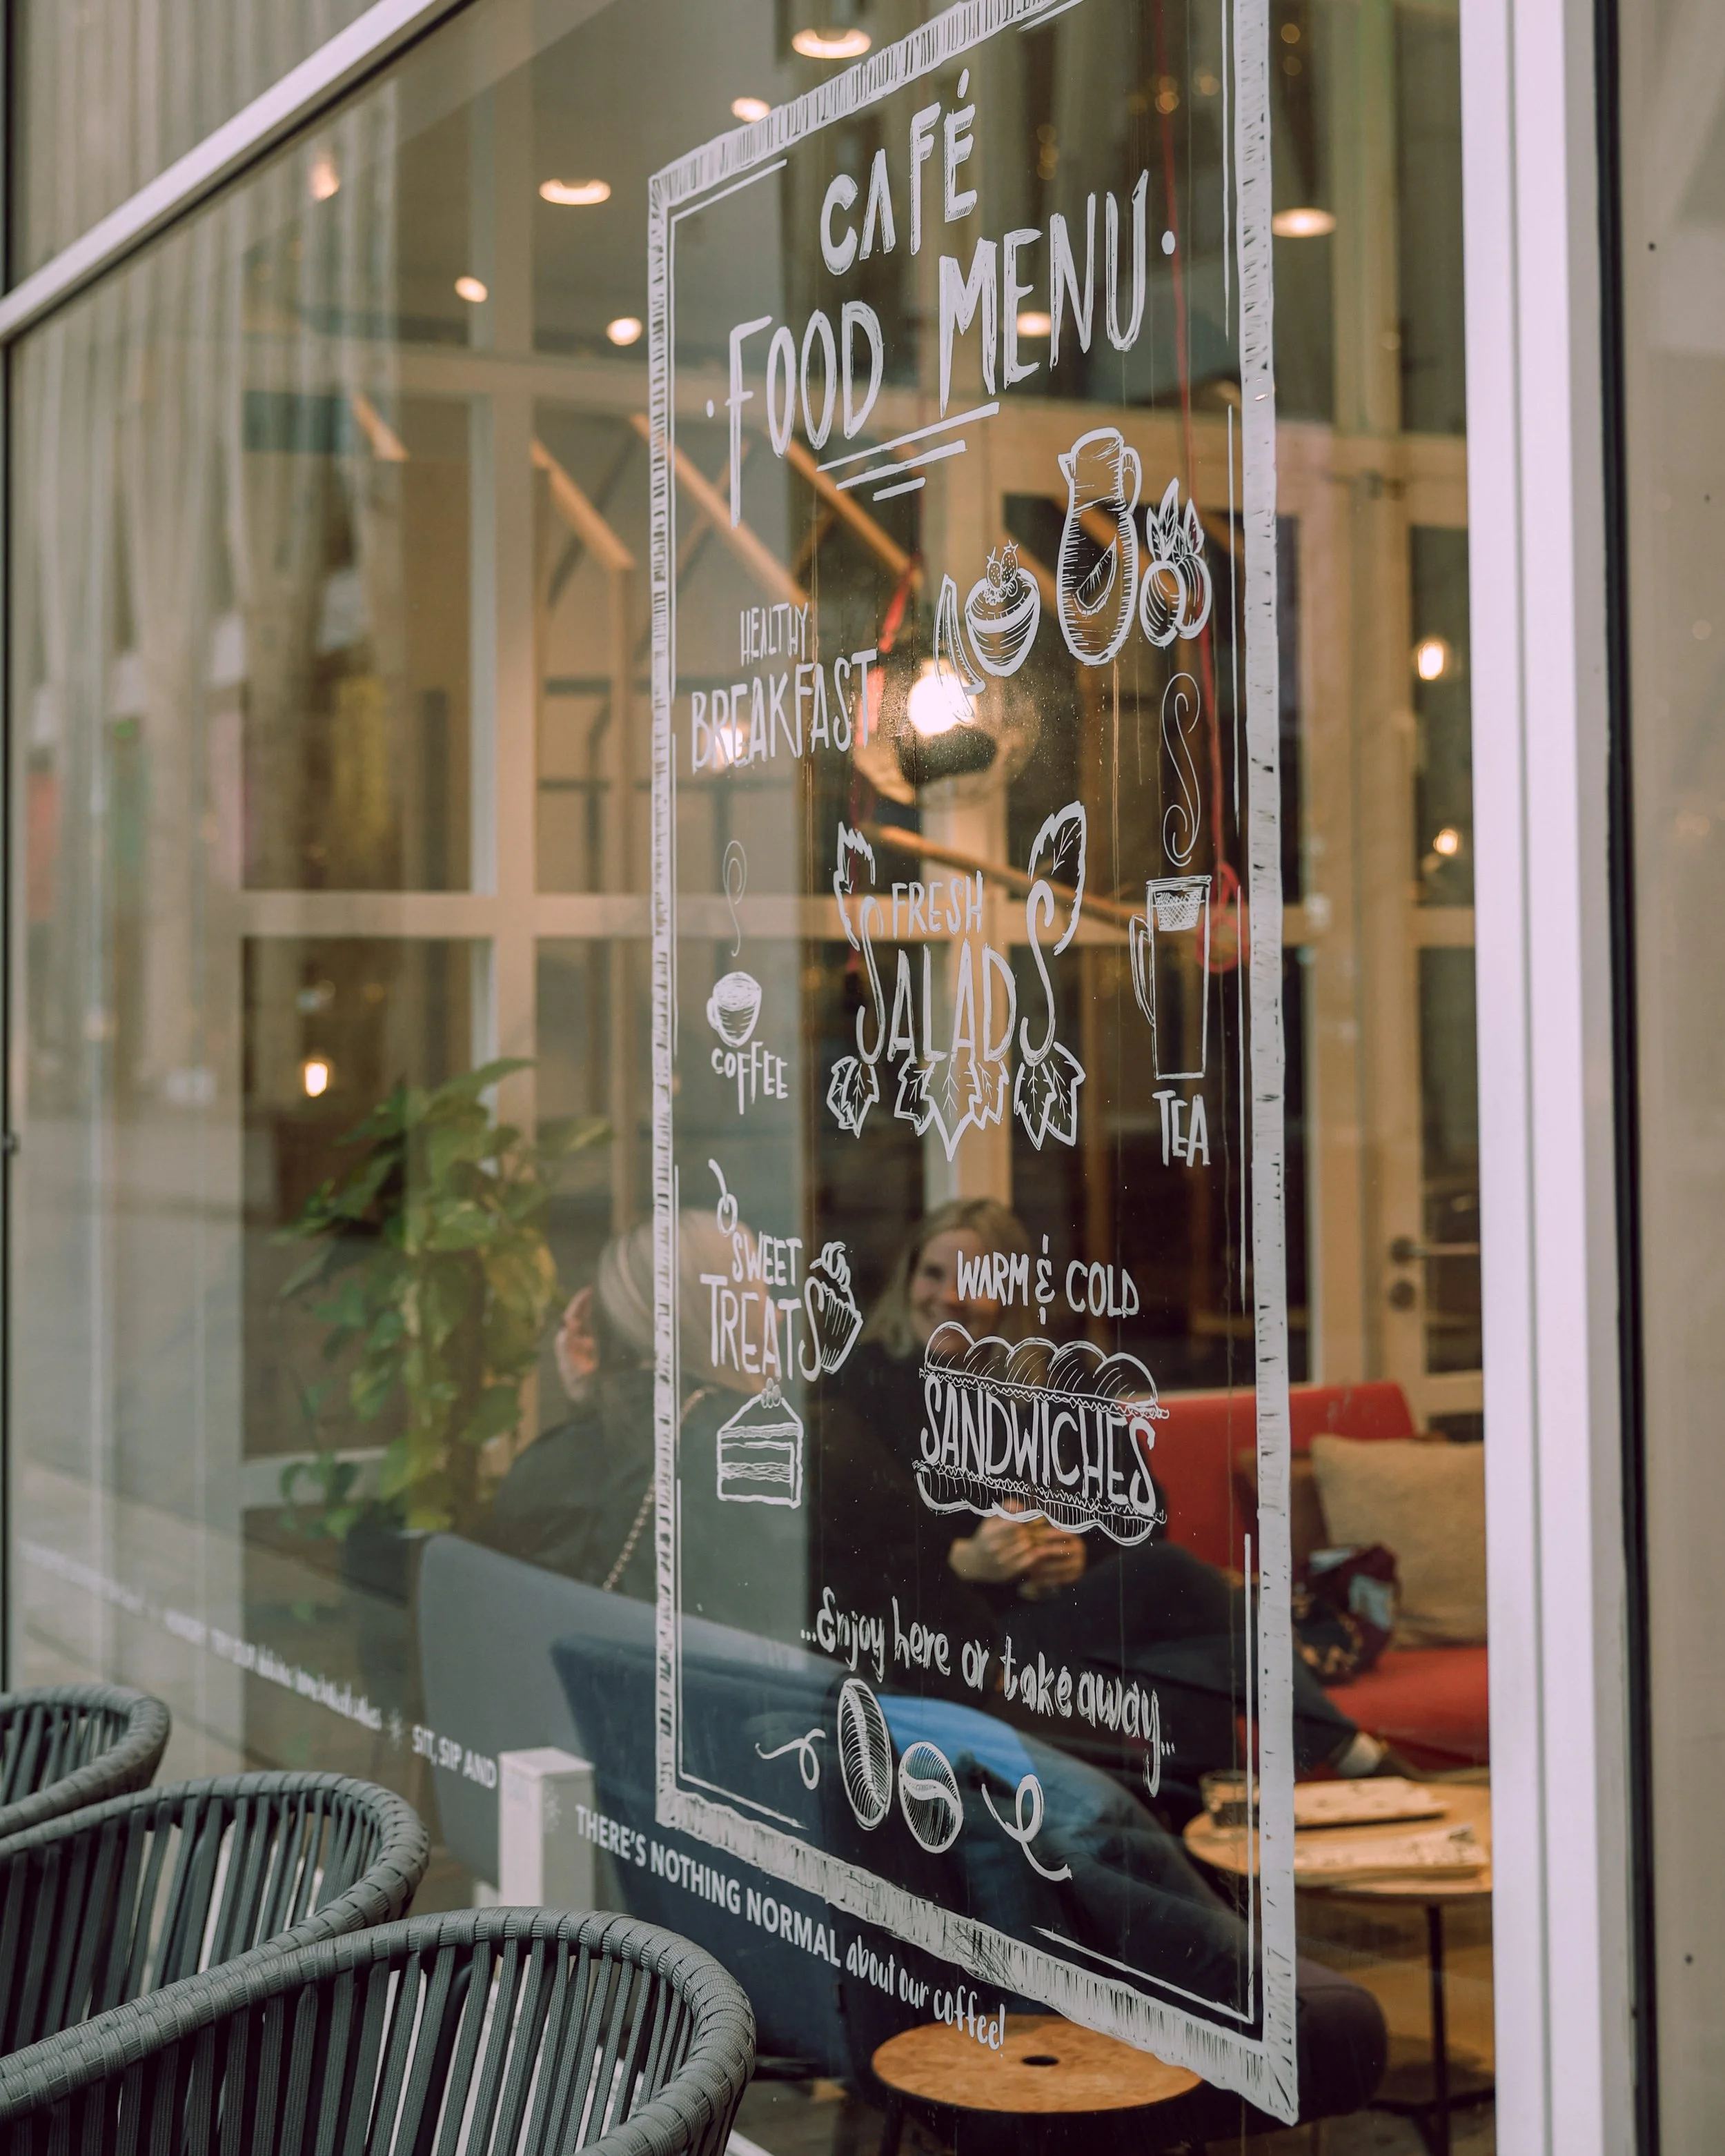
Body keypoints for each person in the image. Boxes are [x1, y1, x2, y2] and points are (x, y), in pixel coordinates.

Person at [827, 1199, 1399, 1803]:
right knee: (1172, 1586)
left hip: (1053, 1617)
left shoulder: (1052, 1380)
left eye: (972, 1280)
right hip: (951, 1639)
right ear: (907, 1279)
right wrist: (961, 1560)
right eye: (932, 1273)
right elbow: (852, 1560)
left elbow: (1145, 1510)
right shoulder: (863, 1387)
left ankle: (1212, 1856)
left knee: (1178, 1660)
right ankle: (1346, 1752)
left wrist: (1080, 1550)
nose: (948, 1296)